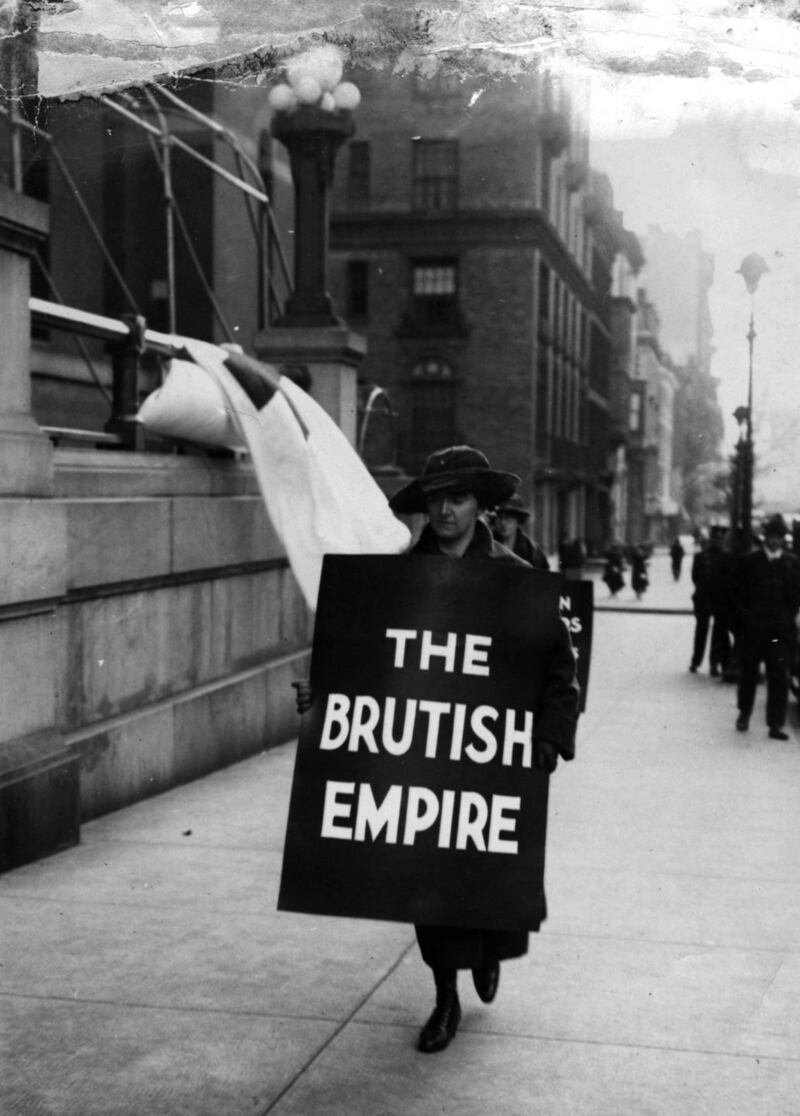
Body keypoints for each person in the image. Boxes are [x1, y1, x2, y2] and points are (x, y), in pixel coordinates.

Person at [294, 445, 579, 1054]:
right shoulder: (397, 578)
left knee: (488, 872)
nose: (445, 510)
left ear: (482, 505)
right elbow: (369, 655)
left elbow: (558, 665)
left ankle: (491, 950)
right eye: (435, 500)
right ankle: (445, 995)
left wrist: (551, 736)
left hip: (492, 756)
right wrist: (325, 692)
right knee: (429, 879)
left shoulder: (515, 578)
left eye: (458, 498)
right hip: (422, 754)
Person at [733, 513, 800, 739]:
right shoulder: (749, 562)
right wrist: (743, 624)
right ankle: (744, 713)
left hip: (780, 632)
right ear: (765, 537)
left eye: (779, 537)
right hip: (754, 630)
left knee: (779, 676)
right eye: (771, 536)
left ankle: (775, 724)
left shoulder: (792, 564)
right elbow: (738, 595)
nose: (775, 541)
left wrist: (789, 619)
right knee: (749, 674)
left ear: (784, 539)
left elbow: (796, 598)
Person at [491, 493, 549, 570]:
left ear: (518, 521)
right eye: (500, 518)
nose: (503, 523)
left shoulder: (532, 551)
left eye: (509, 518)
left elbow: (543, 579)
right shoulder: (485, 544)